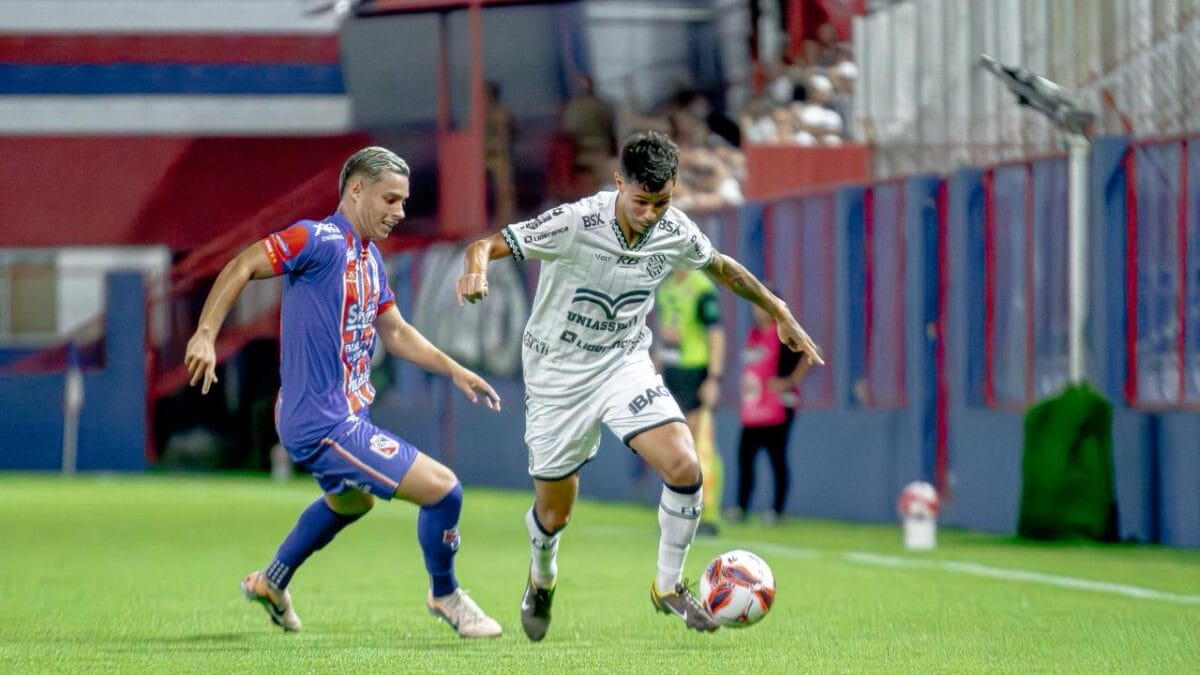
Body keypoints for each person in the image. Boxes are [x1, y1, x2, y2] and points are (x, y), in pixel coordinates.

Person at [454, 131, 823, 641]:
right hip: (557, 377)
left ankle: (668, 585)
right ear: (619, 182)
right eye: (641, 201)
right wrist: (475, 269)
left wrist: (778, 310)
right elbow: (486, 245)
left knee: (685, 465)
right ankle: (542, 576)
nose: (651, 214)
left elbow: (722, 268)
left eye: (662, 201)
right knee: (555, 513)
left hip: (623, 363)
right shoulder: (576, 222)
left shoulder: (674, 229)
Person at [184, 146, 504, 639]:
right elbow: (243, 264)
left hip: (343, 416)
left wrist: (453, 368)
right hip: (324, 421)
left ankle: (272, 582)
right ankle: (445, 594)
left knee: (352, 503)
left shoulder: (370, 259)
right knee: (444, 490)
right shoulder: (318, 240)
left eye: (404, 201)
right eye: (390, 199)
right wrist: (206, 333)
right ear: (356, 190)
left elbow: (395, 332)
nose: (400, 212)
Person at [654, 269, 725, 537]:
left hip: (695, 374)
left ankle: (708, 512)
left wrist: (714, 378)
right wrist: (655, 369)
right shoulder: (665, 287)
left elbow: (715, 335)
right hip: (671, 374)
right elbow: (664, 333)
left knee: (698, 444)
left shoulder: (701, 288)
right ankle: (677, 511)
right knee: (673, 447)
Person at [733, 300, 813, 524]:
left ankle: (777, 510)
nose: (757, 311)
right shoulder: (753, 335)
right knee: (745, 457)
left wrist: (790, 381)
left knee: (776, 458)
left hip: (778, 407)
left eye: (762, 306)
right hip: (754, 409)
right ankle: (741, 507)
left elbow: (811, 352)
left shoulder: (785, 333)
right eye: (755, 306)